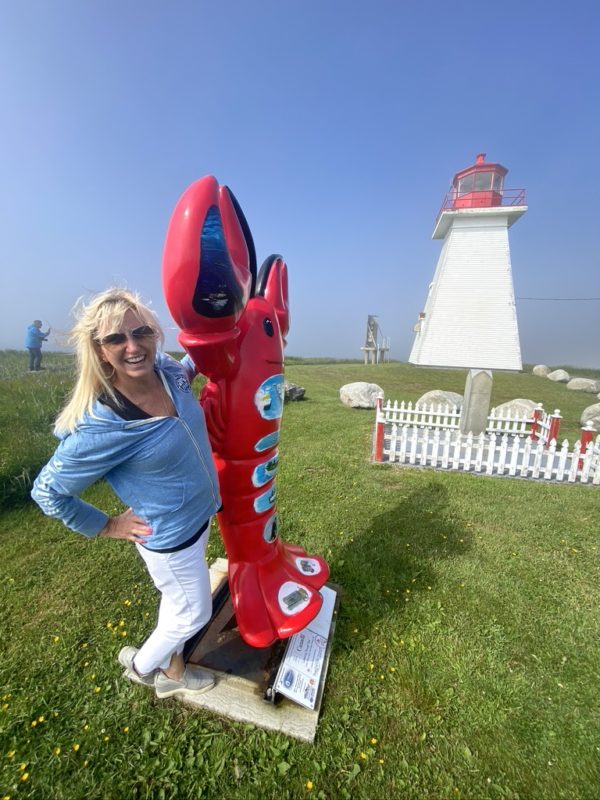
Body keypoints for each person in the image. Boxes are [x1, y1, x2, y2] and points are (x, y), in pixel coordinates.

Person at [31, 288, 221, 698]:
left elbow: (186, 378)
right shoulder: (104, 424)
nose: (133, 347)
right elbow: (48, 491)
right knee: (194, 613)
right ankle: (142, 667)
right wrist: (108, 525)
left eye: (142, 333)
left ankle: (175, 669)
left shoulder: (167, 372)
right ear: (99, 351)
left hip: (198, 518)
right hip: (171, 540)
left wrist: (217, 347)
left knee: (177, 603)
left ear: (154, 334)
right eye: (116, 339)